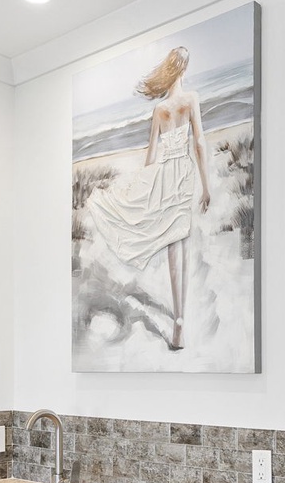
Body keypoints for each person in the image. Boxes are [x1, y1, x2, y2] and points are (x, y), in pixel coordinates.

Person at [85, 46, 212, 350]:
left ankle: (179, 321)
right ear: (183, 70)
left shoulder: (160, 110)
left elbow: (151, 155)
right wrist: (206, 186)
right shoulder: (191, 99)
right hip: (182, 175)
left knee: (171, 247)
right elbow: (198, 143)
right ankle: (180, 319)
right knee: (181, 241)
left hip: (163, 176)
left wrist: (146, 185)